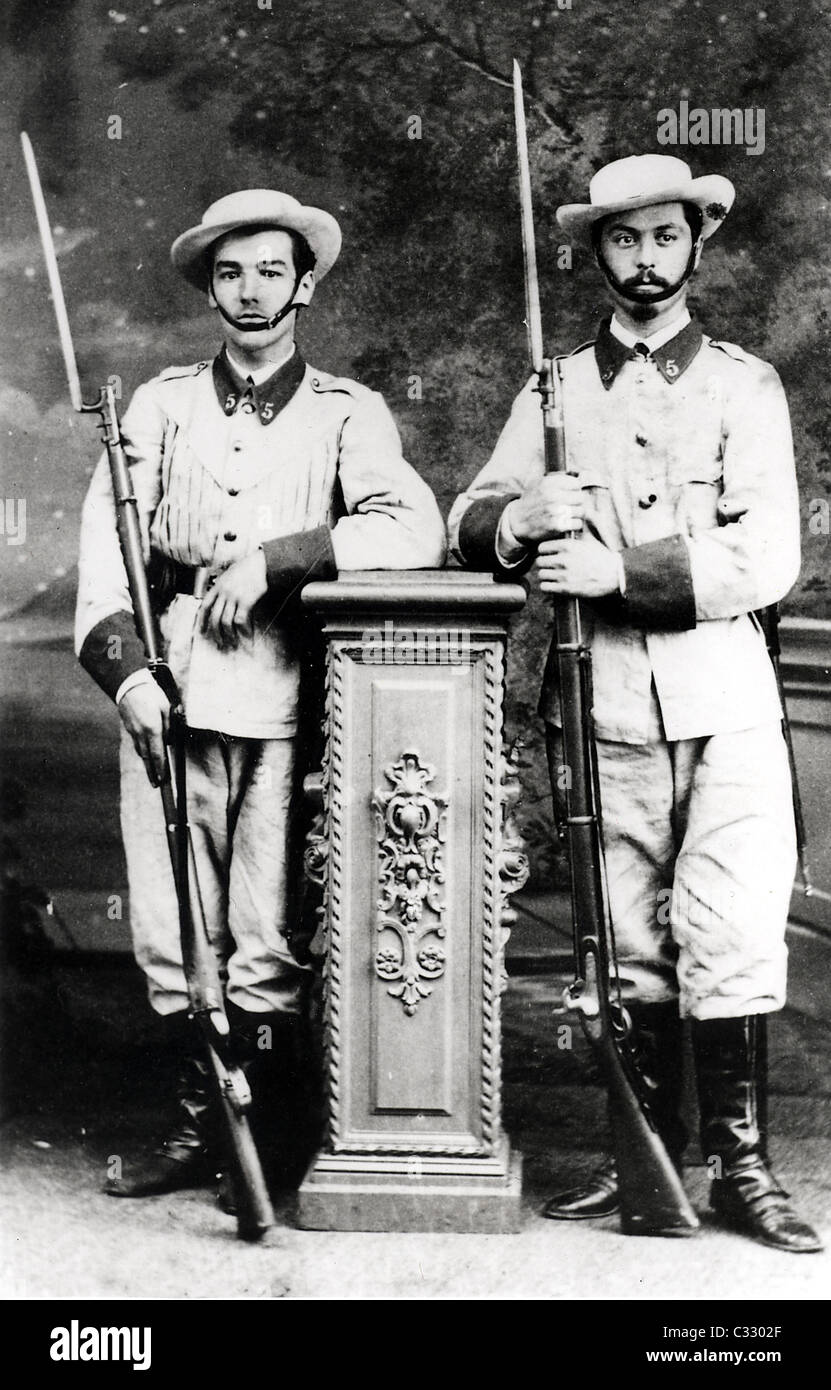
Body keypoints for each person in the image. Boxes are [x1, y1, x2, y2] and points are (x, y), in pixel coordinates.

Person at [448, 155, 822, 1253]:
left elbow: (767, 556)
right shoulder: (553, 390)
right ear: (595, 252)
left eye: (665, 238)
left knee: (731, 927)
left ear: (696, 245)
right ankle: (645, 1158)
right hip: (603, 702)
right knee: (627, 937)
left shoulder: (746, 386)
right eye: (623, 241)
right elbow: (466, 517)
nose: (645, 260)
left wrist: (618, 572)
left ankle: (743, 1167)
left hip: (726, 702)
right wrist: (521, 521)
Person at [75, 188, 446, 1204]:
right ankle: (200, 1126)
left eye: (272, 270)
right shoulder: (157, 405)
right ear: (209, 285)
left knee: (263, 927)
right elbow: (107, 551)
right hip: (173, 690)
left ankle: (268, 1133)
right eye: (230, 271)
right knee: (171, 920)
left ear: (306, 284)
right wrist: (128, 676)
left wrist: (284, 558)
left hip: (285, 696)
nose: (251, 290)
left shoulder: (345, 410)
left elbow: (413, 529)